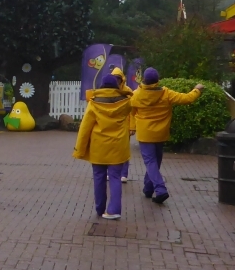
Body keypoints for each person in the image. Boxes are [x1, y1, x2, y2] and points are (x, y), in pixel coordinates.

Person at [130, 67, 204, 204]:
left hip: (145, 134)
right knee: (155, 162)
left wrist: (131, 127)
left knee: (151, 162)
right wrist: (197, 89)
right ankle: (148, 188)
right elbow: (187, 99)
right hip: (161, 133)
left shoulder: (136, 95)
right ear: (157, 80)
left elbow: (131, 112)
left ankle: (160, 189)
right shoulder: (166, 93)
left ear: (144, 80)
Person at [73, 74, 131, 219]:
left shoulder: (94, 103)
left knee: (98, 177)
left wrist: (79, 149)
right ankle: (114, 210)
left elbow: (85, 127)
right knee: (115, 177)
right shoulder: (126, 102)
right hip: (118, 146)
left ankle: (100, 209)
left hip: (98, 146)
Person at [110, 67, 134, 182]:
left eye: (118, 78)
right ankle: (112, 172)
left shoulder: (127, 91)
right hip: (112, 125)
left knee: (124, 149)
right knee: (111, 149)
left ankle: (124, 174)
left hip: (125, 125)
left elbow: (132, 111)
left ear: (122, 79)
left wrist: (132, 127)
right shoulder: (109, 90)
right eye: (114, 78)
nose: (116, 81)